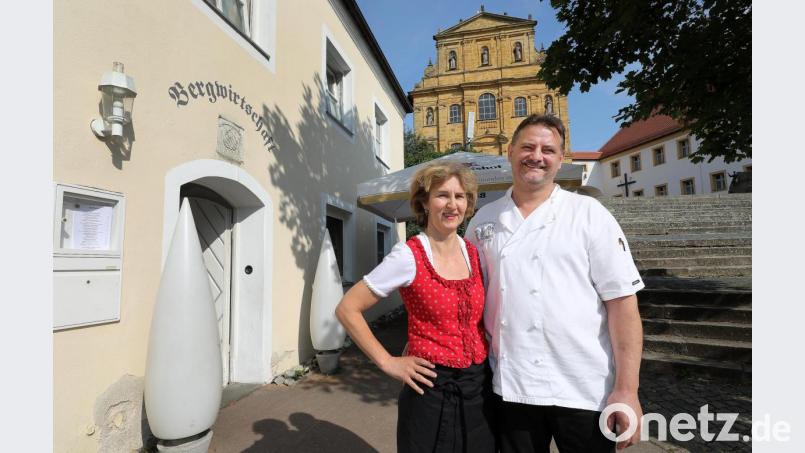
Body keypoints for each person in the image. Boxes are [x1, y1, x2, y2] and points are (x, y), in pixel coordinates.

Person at [465, 114, 644, 452]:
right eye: (528, 147)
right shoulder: (483, 221)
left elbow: (622, 305)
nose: (537, 156)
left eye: (548, 149)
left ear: (561, 159)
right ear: (510, 151)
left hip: (583, 387)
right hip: (511, 386)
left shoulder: (589, 214)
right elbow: (468, 297)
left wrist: (627, 390)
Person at [336, 162, 496, 453]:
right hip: (430, 387)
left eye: (460, 196)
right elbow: (348, 308)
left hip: (478, 387)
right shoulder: (408, 255)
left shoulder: (474, 251)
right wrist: (387, 362)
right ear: (424, 202)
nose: (452, 204)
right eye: (442, 195)